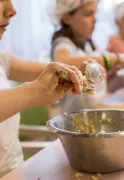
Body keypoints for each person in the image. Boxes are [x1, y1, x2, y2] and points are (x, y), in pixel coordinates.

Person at [0, 0, 89, 177]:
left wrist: (75, 72)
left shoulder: (2, 59)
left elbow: (52, 69)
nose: (12, 10)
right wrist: (34, 92)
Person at [51, 0, 124, 103]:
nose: (95, 19)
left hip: (95, 110)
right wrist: (117, 58)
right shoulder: (63, 44)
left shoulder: (88, 44)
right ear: (66, 18)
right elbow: (62, 61)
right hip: (76, 115)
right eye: (88, 14)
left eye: (95, 13)